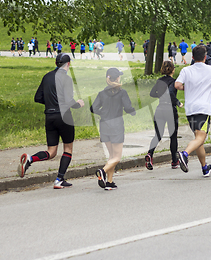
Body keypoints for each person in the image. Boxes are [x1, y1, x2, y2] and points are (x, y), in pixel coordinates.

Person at [18, 53, 85, 189]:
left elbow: (37, 97)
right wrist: (78, 104)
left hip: (49, 116)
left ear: (56, 64)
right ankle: (59, 179)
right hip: (64, 116)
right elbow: (68, 100)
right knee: (68, 148)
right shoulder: (66, 79)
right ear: (68, 64)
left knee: (51, 152)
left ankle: (30, 159)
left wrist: (50, 103)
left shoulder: (47, 77)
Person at [174, 45, 211, 177]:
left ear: (192, 57)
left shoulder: (186, 70)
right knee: (200, 138)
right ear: (205, 57)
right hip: (203, 109)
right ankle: (184, 154)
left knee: (198, 140)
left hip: (190, 109)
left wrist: (188, 88)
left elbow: (177, 85)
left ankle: (205, 168)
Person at [92, 68, 136, 190]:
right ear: (117, 78)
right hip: (116, 125)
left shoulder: (101, 93)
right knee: (117, 157)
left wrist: (103, 113)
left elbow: (93, 108)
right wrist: (132, 111)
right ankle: (103, 171)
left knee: (111, 155)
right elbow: (128, 107)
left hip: (104, 125)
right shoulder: (122, 93)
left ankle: (109, 182)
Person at [145, 61, 183, 170]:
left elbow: (152, 93)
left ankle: (150, 154)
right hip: (170, 110)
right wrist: (178, 102)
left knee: (158, 134)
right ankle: (174, 161)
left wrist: (160, 95)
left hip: (160, 109)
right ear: (172, 69)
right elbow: (170, 93)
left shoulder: (159, 81)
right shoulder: (173, 82)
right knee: (173, 136)